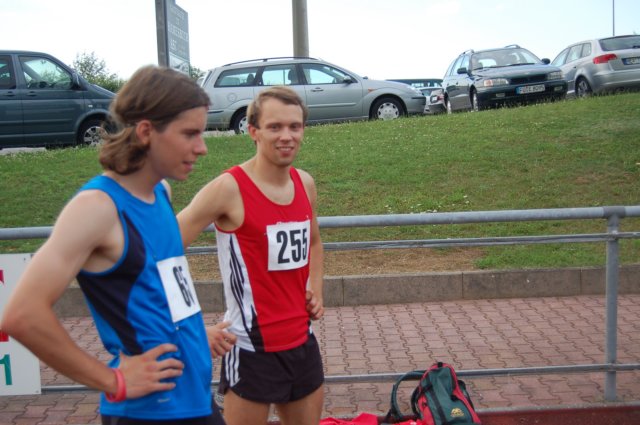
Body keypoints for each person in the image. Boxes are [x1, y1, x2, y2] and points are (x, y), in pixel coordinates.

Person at [0, 65, 233, 425]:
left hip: (195, 400)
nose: (201, 148)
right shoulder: (97, 207)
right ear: (146, 131)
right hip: (147, 414)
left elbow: (158, 291)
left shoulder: (160, 192)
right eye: (190, 134)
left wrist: (192, 335)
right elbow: (21, 315)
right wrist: (113, 380)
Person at [177, 86, 325, 425]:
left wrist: (315, 289)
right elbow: (161, 251)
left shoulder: (305, 183)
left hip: (302, 343)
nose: (286, 136)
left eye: (295, 126)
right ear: (253, 131)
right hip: (250, 349)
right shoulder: (228, 188)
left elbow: (315, 243)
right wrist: (189, 326)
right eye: (275, 127)